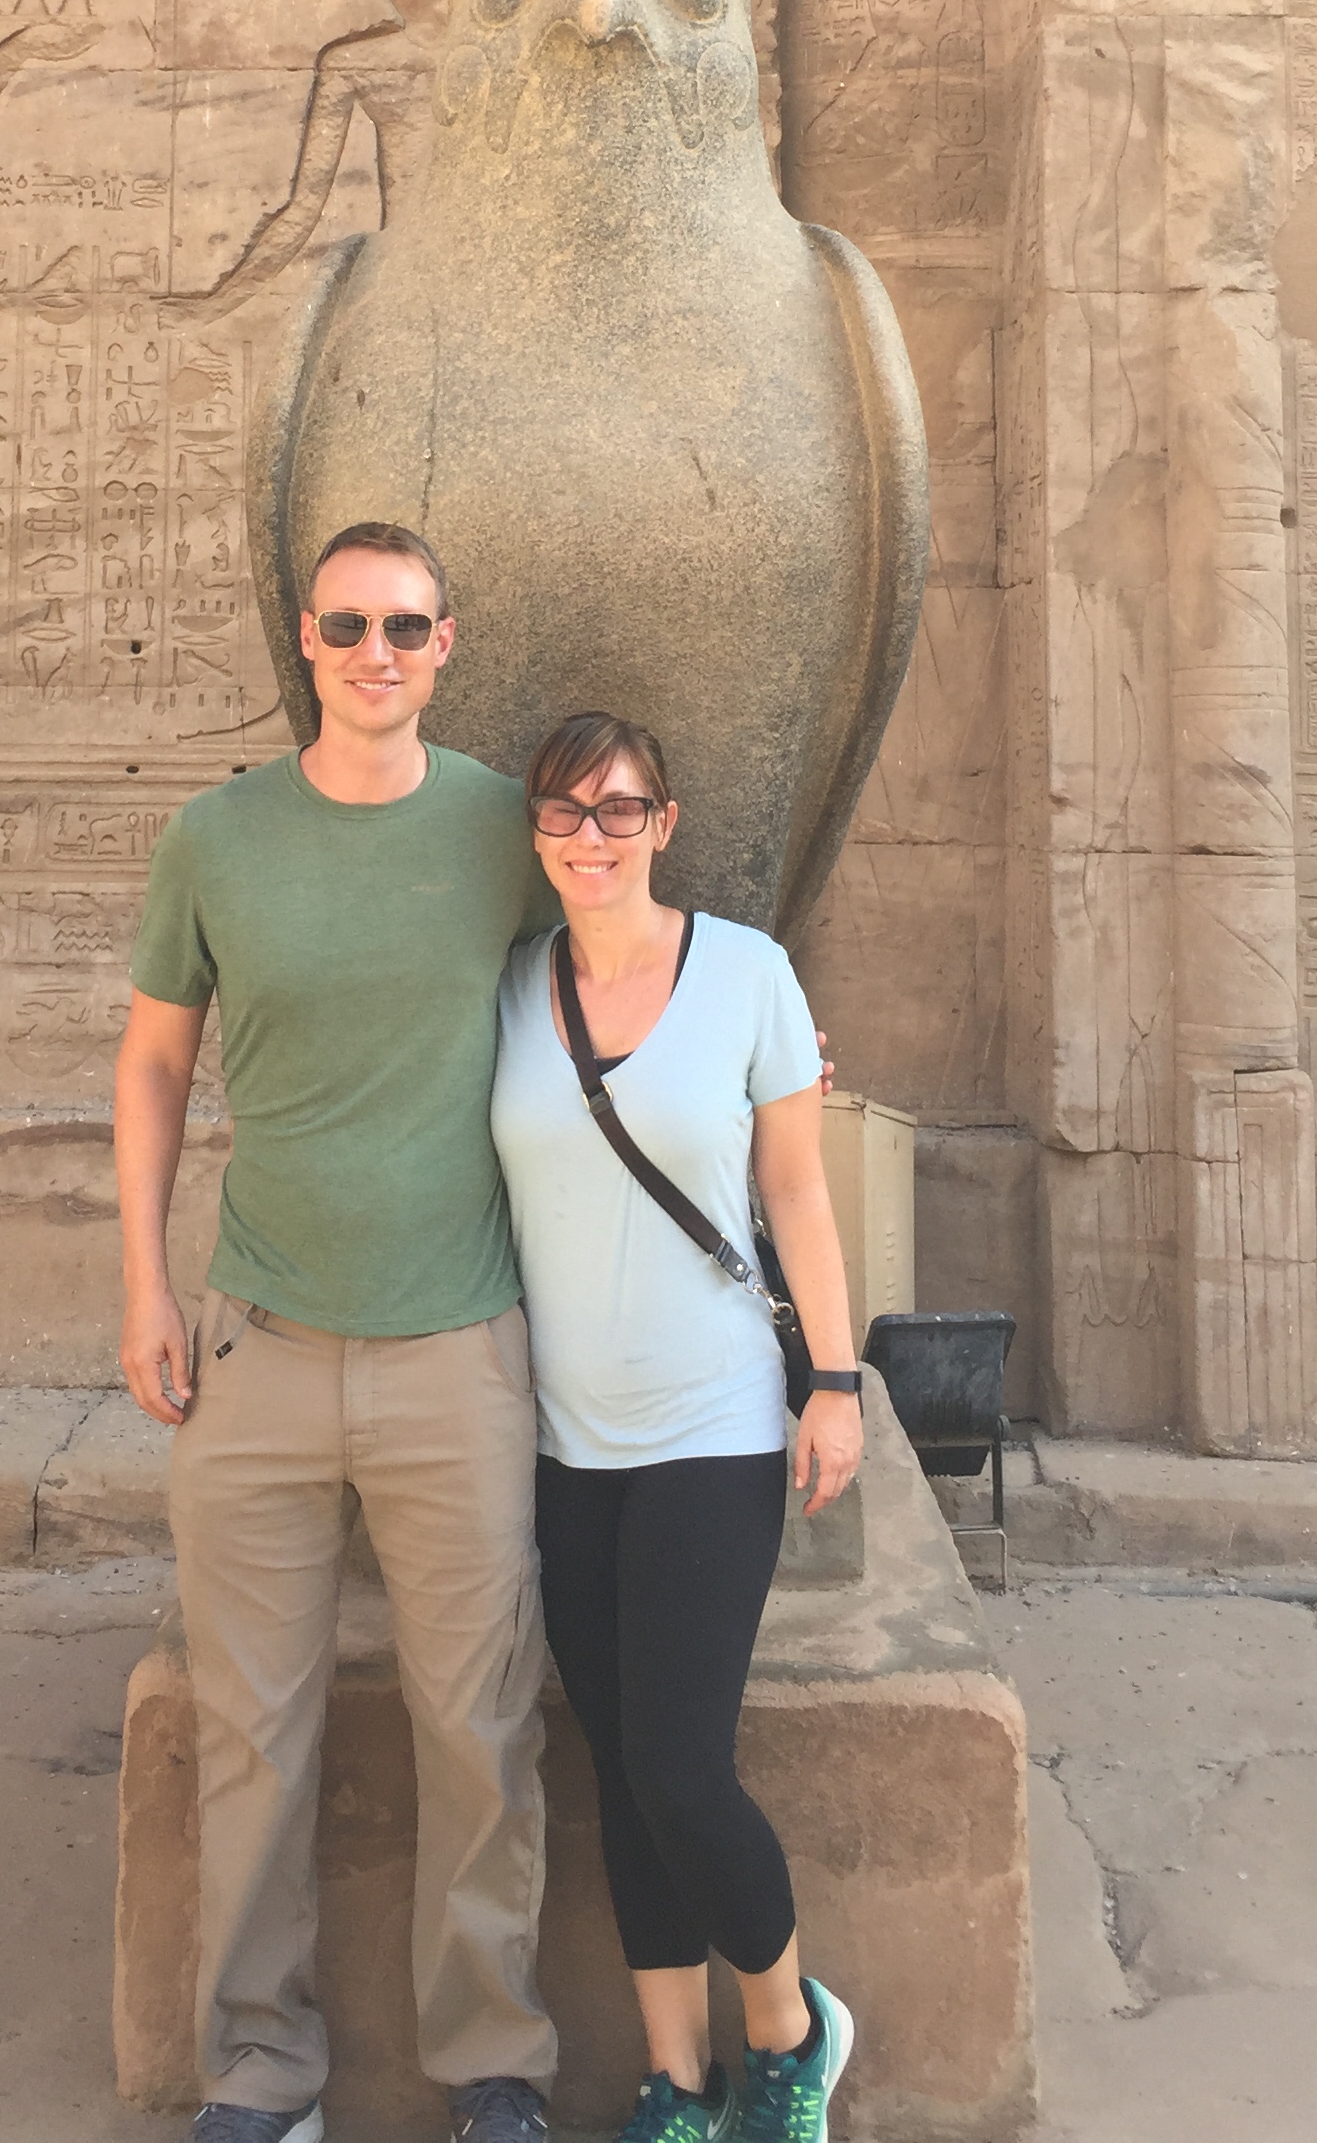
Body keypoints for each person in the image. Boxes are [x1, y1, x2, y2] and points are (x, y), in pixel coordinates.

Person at [115, 521, 566, 2143]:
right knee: (252, 1733)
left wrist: (774, 1060)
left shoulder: (505, 830)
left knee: (483, 1725)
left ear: (448, 645)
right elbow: (154, 1063)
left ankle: (495, 2064)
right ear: (305, 640)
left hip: (460, 1348)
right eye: (350, 625)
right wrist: (145, 1284)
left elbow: (612, 990)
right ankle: (260, 2072)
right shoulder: (218, 840)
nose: (379, 651)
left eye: (407, 626)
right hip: (261, 1343)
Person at [490, 711, 866, 2143]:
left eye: (619, 809)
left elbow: (798, 1190)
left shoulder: (748, 974)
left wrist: (833, 1380)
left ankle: (789, 2031)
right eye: (564, 811)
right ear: (535, 831)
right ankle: (678, 2084)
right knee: (621, 1777)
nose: (591, 836)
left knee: (680, 1769)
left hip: (712, 1425)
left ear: (665, 822)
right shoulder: (510, 987)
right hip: (566, 1442)